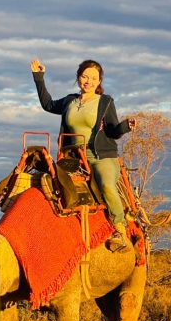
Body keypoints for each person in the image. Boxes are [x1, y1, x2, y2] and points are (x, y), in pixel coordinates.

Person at [30, 58, 134, 251]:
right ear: (78, 78)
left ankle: (120, 229)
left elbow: (112, 130)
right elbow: (48, 105)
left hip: (99, 156)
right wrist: (39, 77)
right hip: (72, 159)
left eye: (94, 78)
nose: (88, 81)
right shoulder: (70, 101)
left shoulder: (105, 102)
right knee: (47, 185)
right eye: (85, 76)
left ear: (99, 81)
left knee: (106, 184)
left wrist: (125, 127)